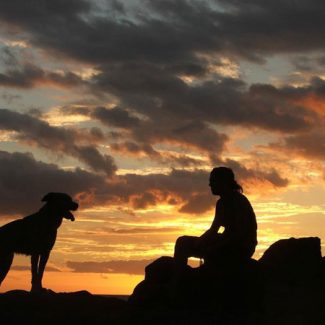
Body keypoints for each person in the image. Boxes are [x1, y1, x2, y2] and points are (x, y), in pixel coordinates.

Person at [174, 167, 257, 267]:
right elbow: (214, 229)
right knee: (183, 242)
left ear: (223, 181)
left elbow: (240, 234)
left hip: (241, 247)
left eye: (213, 181)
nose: (210, 185)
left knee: (211, 251)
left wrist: (216, 246)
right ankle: (180, 276)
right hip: (226, 242)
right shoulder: (221, 203)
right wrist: (200, 241)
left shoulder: (239, 201)